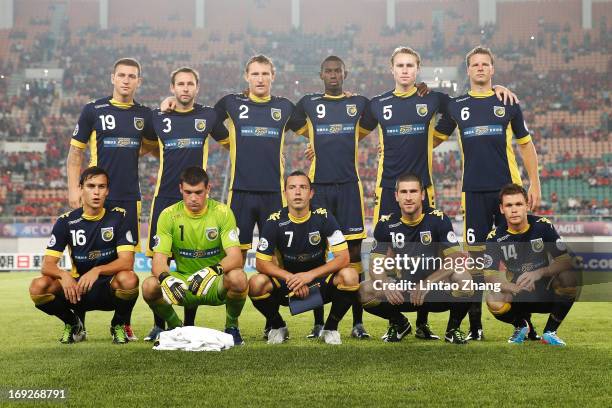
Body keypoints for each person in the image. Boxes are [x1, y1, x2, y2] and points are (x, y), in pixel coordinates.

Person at [435, 46, 542, 340]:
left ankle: (525, 325)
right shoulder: (456, 105)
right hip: (473, 193)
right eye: (475, 64)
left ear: (492, 70)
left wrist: (535, 183)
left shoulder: (507, 102)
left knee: (517, 258)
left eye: (485, 64)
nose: (480, 68)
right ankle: (475, 327)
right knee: (477, 262)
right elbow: (432, 138)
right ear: (467, 71)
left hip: (507, 192)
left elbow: (525, 144)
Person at [67, 57, 154, 340]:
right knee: (82, 260)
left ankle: (121, 323)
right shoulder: (93, 109)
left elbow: (152, 147)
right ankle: (77, 322)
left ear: (139, 81)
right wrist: (72, 189)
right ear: (112, 78)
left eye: (132, 76)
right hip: (96, 196)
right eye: (122, 75)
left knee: (125, 263)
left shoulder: (145, 114)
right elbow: (76, 153)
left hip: (129, 198)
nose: (127, 80)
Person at [141, 67, 228, 341]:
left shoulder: (208, 116)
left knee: (190, 260)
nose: (185, 88)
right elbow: (142, 145)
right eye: (180, 84)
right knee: (162, 263)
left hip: (195, 198)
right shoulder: (158, 117)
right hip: (164, 198)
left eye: (190, 84)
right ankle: (160, 324)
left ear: (197, 88)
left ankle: (188, 324)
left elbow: (231, 141)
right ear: (172, 87)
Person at [291, 56, 371, 339]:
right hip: (320, 187)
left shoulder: (359, 103)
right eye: (329, 71)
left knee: (353, 255)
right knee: (317, 253)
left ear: (345, 73)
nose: (334, 75)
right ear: (321, 74)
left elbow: (373, 121)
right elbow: (292, 121)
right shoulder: (309, 103)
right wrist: (311, 141)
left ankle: (357, 323)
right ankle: (318, 321)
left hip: (350, 187)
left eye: (338, 70)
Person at [29, 167, 139, 344]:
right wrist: (64, 275)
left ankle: (118, 324)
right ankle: (73, 323)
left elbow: (127, 261)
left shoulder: (119, 217)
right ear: (80, 188)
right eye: (90, 186)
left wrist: (98, 270)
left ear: (107, 190)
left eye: (101, 187)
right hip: (77, 290)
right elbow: (47, 266)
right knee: (38, 287)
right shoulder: (66, 221)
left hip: (108, 289)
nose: (96, 192)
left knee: (129, 279)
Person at [359, 173, 472, 344]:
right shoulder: (386, 224)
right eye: (404, 192)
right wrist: (385, 283)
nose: (409, 197)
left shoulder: (438, 219)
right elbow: (375, 265)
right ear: (396, 196)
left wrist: (428, 282)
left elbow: (456, 259)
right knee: (363, 291)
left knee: (465, 280)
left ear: (422, 195)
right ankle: (400, 323)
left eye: (413, 191)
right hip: (402, 290)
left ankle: (453, 329)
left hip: (434, 290)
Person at [249, 171, 360, 345]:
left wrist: (309, 275)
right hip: (288, 285)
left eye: (303, 187)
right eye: (292, 187)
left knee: (351, 275)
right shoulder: (274, 221)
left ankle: (330, 328)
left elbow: (343, 258)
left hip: (318, 283)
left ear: (311, 193)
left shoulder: (324, 217)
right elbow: (261, 262)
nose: (298, 192)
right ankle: (278, 326)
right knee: (256, 284)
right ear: (285, 193)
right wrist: (290, 277)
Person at [141, 166, 247, 345]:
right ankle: (176, 328)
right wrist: (166, 278)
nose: (193, 198)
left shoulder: (222, 213)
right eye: (188, 192)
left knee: (238, 277)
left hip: (213, 283)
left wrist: (213, 271)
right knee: (149, 286)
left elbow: (236, 257)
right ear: (180, 189)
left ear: (208, 189)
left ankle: (232, 328)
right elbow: (158, 260)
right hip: (184, 284)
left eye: (198, 192)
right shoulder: (168, 215)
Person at [483, 184, 577, 346]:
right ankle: (521, 326)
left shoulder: (543, 226)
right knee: (493, 298)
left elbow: (566, 260)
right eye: (509, 205)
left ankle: (549, 333)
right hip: (518, 292)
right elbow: (489, 275)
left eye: (519, 204)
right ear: (501, 209)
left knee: (570, 277)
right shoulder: (494, 237)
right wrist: (509, 286)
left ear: (527, 205)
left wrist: (539, 273)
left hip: (546, 289)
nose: (514, 210)